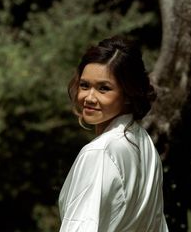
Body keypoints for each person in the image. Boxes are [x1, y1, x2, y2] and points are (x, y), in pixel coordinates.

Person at [58, 36, 168, 231]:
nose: (89, 97)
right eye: (84, 85)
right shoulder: (144, 144)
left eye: (104, 88)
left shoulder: (100, 152)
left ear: (128, 93)